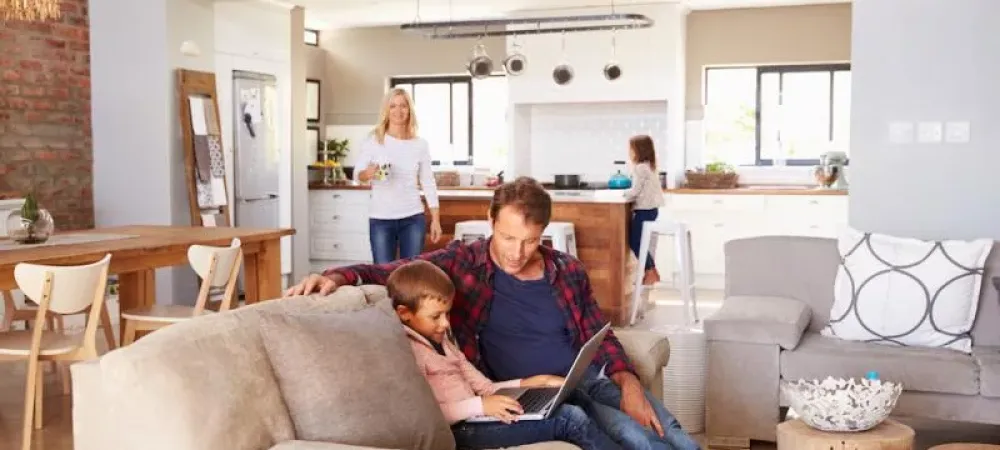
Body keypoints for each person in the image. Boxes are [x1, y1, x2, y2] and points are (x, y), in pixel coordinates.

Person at [286, 177, 701, 450]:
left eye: (530, 241)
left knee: (670, 435)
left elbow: (600, 333)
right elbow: (387, 271)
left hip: (585, 379)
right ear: (489, 221)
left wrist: (627, 383)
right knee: (635, 439)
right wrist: (337, 276)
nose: (516, 252)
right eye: (507, 237)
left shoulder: (567, 270)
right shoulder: (461, 264)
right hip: (532, 392)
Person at [387, 259, 622, 450]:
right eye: (436, 316)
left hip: (478, 417)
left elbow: (486, 387)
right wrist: (479, 406)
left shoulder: (444, 343)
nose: (445, 323)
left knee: (572, 396)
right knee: (569, 419)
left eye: (447, 314)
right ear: (404, 313)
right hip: (461, 430)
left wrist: (529, 383)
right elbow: (426, 416)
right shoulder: (410, 352)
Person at [354, 87, 442, 263]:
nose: (398, 111)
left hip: (413, 218)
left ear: (410, 110)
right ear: (386, 110)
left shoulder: (420, 145)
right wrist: (368, 173)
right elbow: (358, 175)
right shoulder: (374, 141)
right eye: (393, 106)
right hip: (381, 219)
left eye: (403, 106)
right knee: (382, 276)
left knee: (409, 277)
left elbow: (428, 182)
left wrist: (435, 220)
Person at [623, 135, 666, 286]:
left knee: (635, 242)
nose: (630, 153)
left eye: (631, 149)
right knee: (639, 242)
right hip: (651, 210)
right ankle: (650, 271)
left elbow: (635, 191)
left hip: (644, 211)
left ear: (638, 151)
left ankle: (651, 270)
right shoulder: (650, 166)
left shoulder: (640, 168)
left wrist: (622, 194)